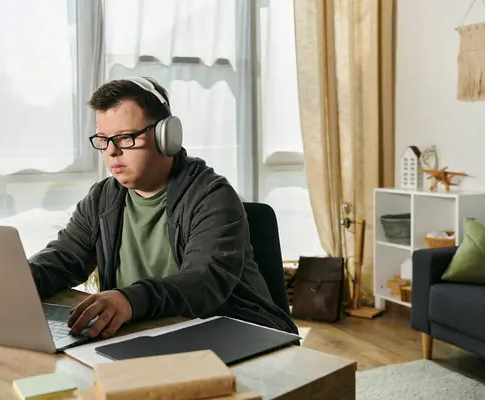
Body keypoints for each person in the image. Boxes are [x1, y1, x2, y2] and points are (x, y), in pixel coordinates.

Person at [28, 77, 299, 339]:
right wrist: (16, 280)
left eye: (124, 138)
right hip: (148, 334)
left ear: (166, 137)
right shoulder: (102, 199)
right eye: (103, 140)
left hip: (232, 334)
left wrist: (129, 300)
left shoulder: (211, 196)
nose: (111, 152)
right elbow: (63, 259)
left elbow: (204, 282)